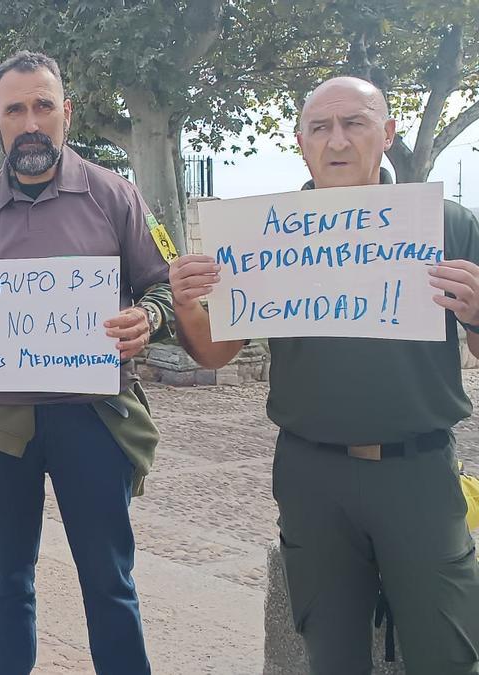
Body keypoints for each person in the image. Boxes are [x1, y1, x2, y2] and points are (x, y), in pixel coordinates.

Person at [170, 75, 479, 674]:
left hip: (418, 473)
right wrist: (186, 305)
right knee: (330, 657)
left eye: (354, 123)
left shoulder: (448, 225)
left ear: (387, 134)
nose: (336, 140)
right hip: (313, 477)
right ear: (301, 141)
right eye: (320, 128)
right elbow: (215, 354)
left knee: (447, 657)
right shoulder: (266, 235)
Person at [0, 51, 174, 675]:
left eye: (43, 106)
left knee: (108, 580)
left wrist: (150, 319)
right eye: (16, 109)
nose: (31, 122)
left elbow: (163, 286)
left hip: (94, 419)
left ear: (66, 114)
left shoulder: (116, 196)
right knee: (5, 579)